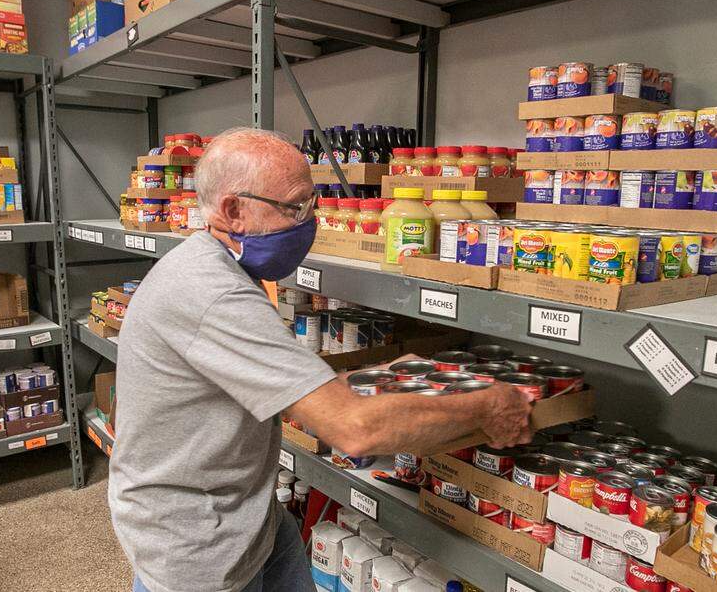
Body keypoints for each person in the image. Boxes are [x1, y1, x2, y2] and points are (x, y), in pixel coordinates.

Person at [109, 127, 532, 592]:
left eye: (312, 204)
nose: (310, 222)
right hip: (199, 546)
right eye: (294, 207)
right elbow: (355, 430)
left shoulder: (218, 264)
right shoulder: (213, 293)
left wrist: (380, 376)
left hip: (250, 515)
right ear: (233, 211)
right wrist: (487, 407)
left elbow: (273, 381)